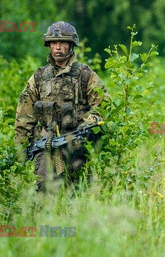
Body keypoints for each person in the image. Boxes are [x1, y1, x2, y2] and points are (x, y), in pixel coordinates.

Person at [15, 21, 106, 191]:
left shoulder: (86, 76)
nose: (58, 47)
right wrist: (19, 148)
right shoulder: (39, 78)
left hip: (76, 147)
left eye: (63, 43)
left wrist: (86, 126)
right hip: (46, 145)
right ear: (48, 45)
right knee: (43, 191)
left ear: (71, 45)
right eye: (54, 43)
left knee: (78, 193)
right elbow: (24, 116)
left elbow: (102, 106)